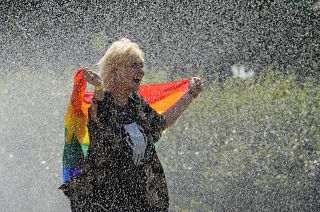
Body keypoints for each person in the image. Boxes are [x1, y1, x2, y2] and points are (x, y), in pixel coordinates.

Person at [60, 38, 203, 211]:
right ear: (115, 70)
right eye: (133, 66)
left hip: (138, 197)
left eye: (141, 65)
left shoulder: (137, 103)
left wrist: (190, 95)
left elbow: (161, 123)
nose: (141, 71)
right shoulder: (103, 104)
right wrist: (98, 88)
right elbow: (98, 117)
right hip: (103, 200)